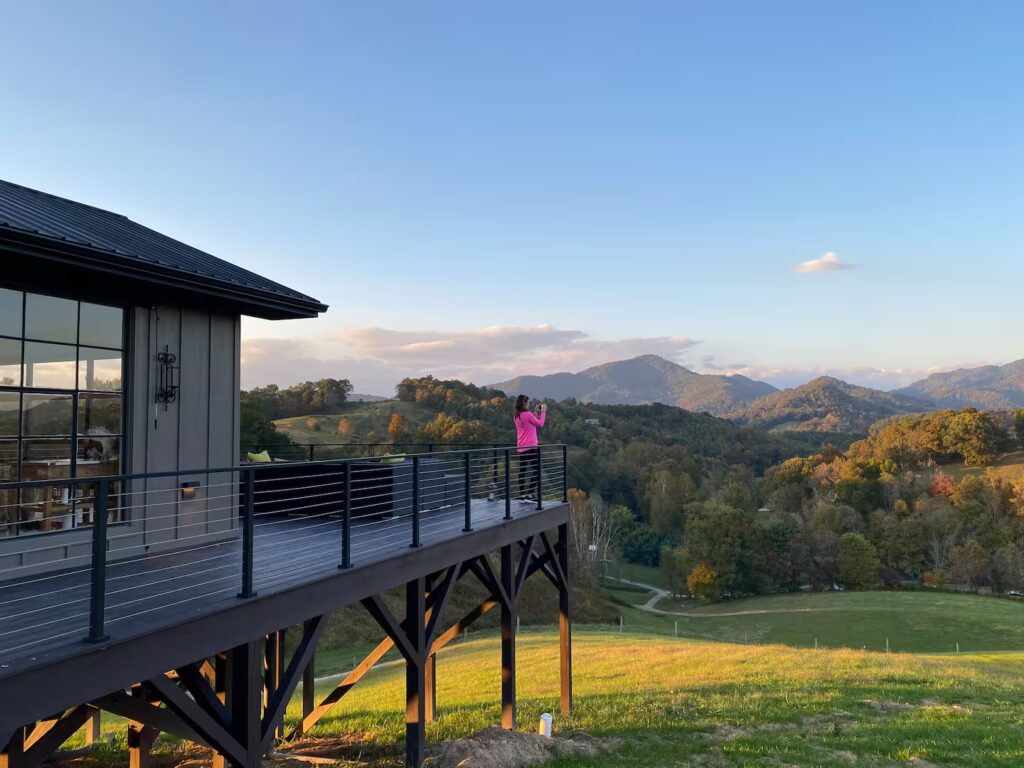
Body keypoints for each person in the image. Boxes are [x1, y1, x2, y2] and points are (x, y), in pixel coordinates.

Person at [513, 394, 547, 501]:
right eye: (528, 403)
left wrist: (535, 412)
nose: (529, 404)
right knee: (536, 470)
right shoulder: (527, 414)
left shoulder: (516, 415)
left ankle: (522, 494)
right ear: (524, 403)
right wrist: (543, 412)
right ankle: (531, 493)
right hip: (531, 446)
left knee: (522, 470)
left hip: (521, 446)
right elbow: (540, 424)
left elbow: (529, 422)